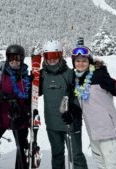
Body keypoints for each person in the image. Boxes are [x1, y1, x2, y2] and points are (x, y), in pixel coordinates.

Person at [38, 40, 88, 169]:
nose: (52, 60)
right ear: (45, 57)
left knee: (76, 155)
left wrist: (74, 111)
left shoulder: (70, 73)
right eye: (49, 56)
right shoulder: (42, 74)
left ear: (60, 55)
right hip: (52, 124)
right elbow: (34, 94)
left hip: (70, 123)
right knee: (57, 155)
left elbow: (79, 95)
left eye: (55, 56)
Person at [71, 45, 116, 169]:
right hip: (93, 132)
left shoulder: (100, 76)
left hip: (110, 132)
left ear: (90, 61)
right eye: (77, 61)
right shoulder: (77, 80)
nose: (81, 64)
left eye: (84, 60)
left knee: (111, 166)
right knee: (100, 165)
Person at [0, 44, 32, 169]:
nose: (14, 61)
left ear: (22, 59)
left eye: (18, 57)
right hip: (0, 118)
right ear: (7, 58)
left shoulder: (26, 77)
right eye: (11, 57)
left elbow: (33, 97)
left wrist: (26, 113)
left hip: (20, 120)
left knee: (22, 153)